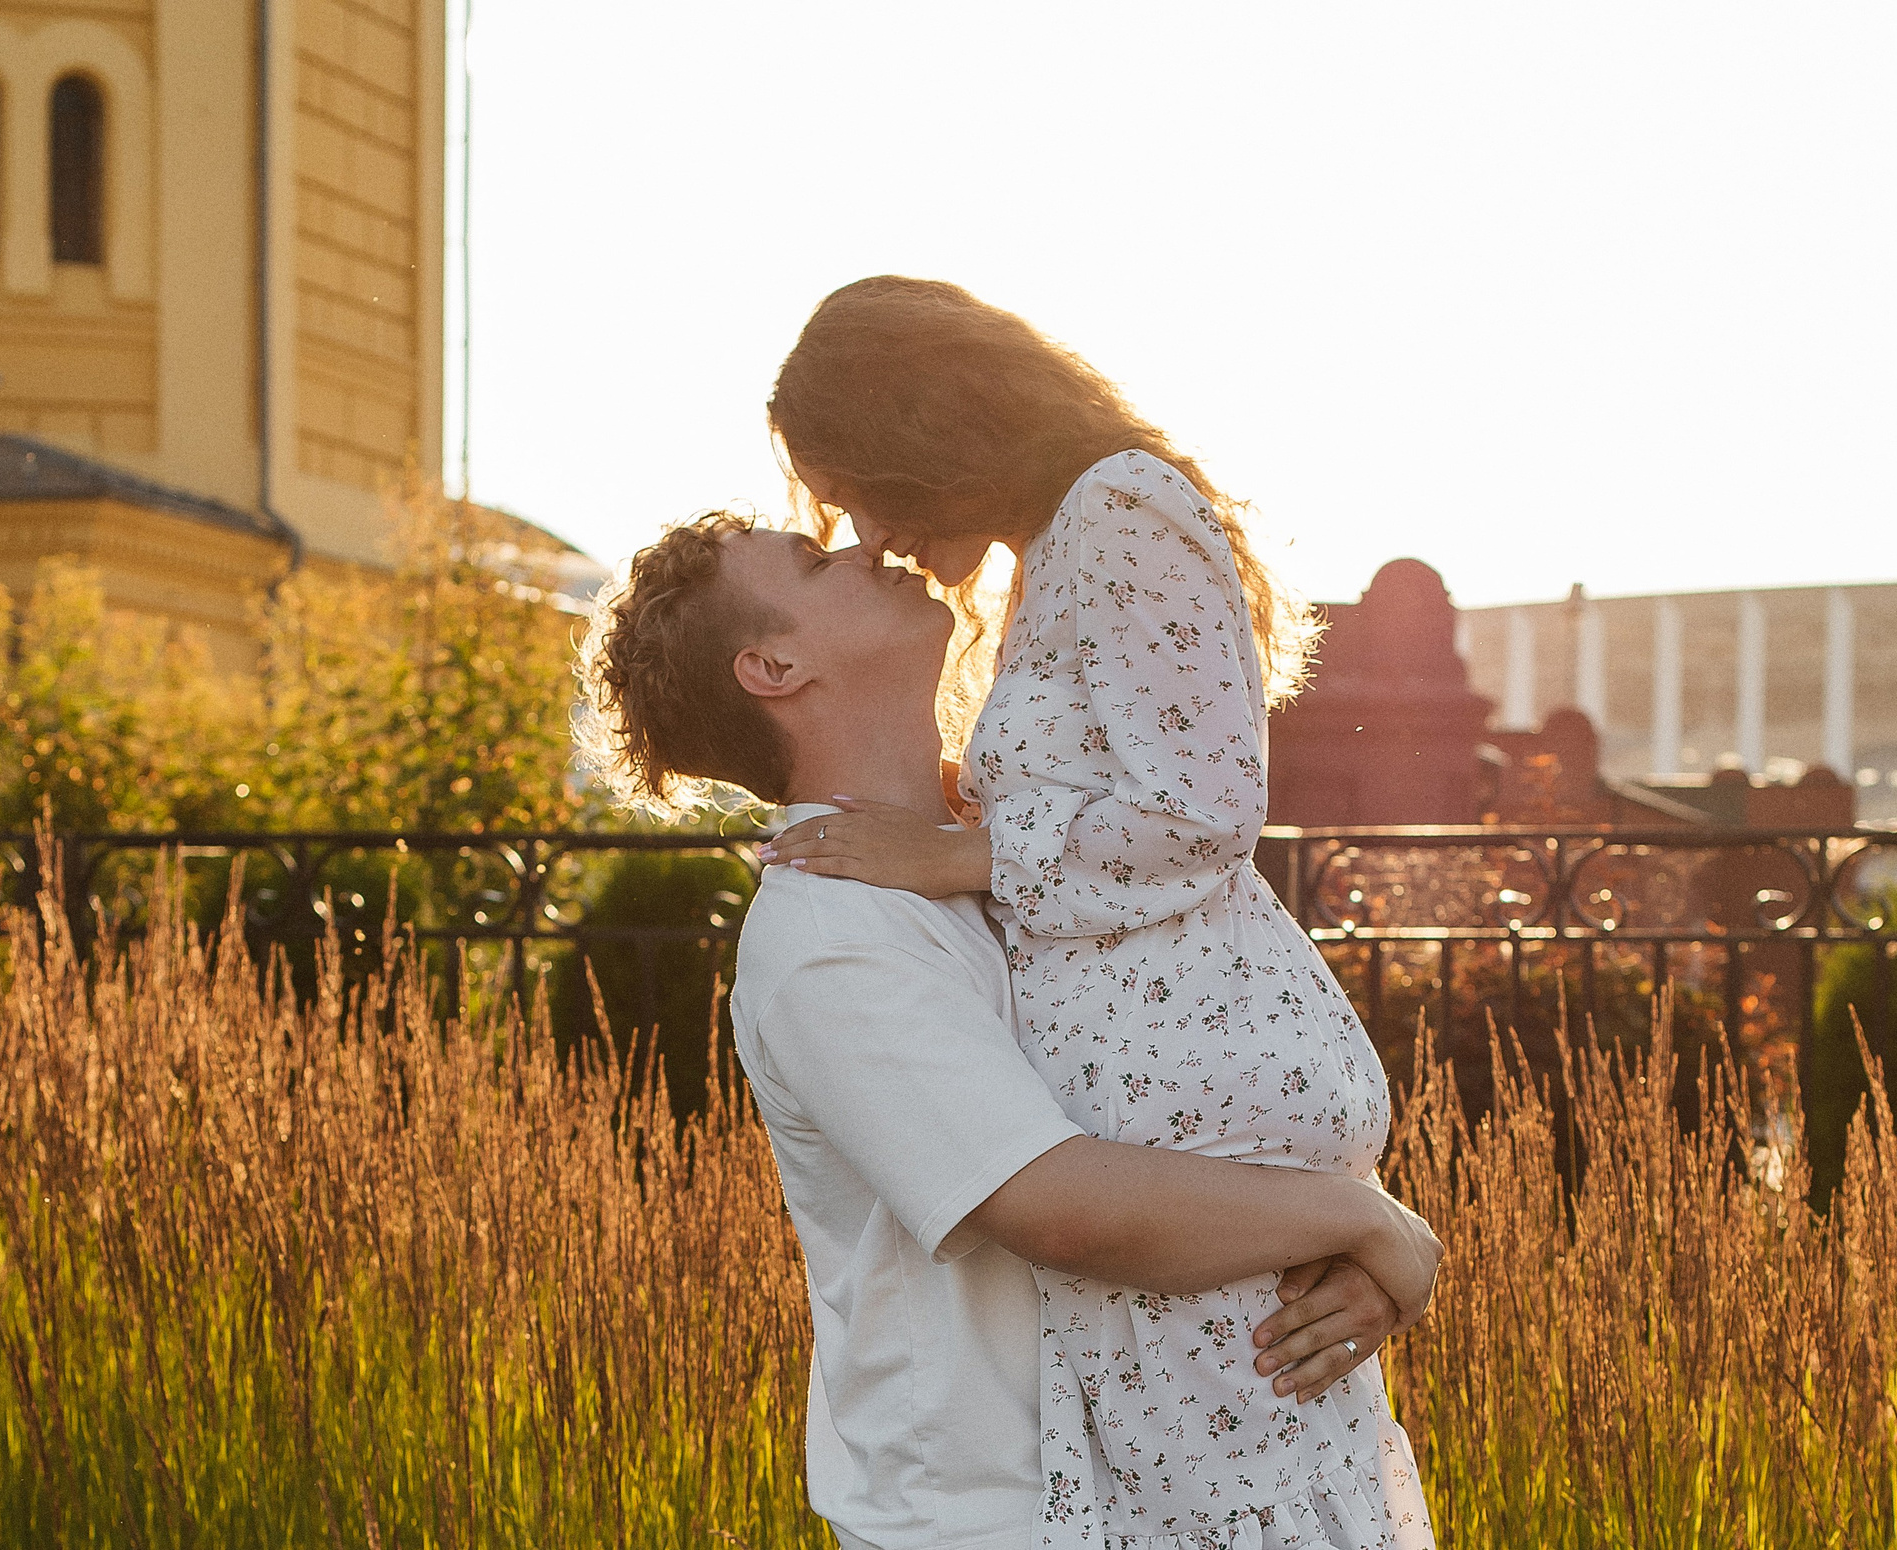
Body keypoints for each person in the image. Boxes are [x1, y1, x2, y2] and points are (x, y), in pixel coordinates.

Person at [576, 513, 1440, 1550]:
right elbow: (1057, 1204)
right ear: (773, 664)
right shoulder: (829, 929)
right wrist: (1365, 1222)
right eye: (813, 562)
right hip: (998, 1513)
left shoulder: (1008, 856)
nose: (864, 544)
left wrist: (1359, 1242)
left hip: (1179, 1489)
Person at [760, 277, 1436, 1547]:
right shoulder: (1059, 546)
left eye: (852, 490)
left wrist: (961, 856)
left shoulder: (1116, 506)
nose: (868, 533)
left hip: (1191, 1094)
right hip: (1166, 1116)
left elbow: (1201, 809)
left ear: (924, 439)